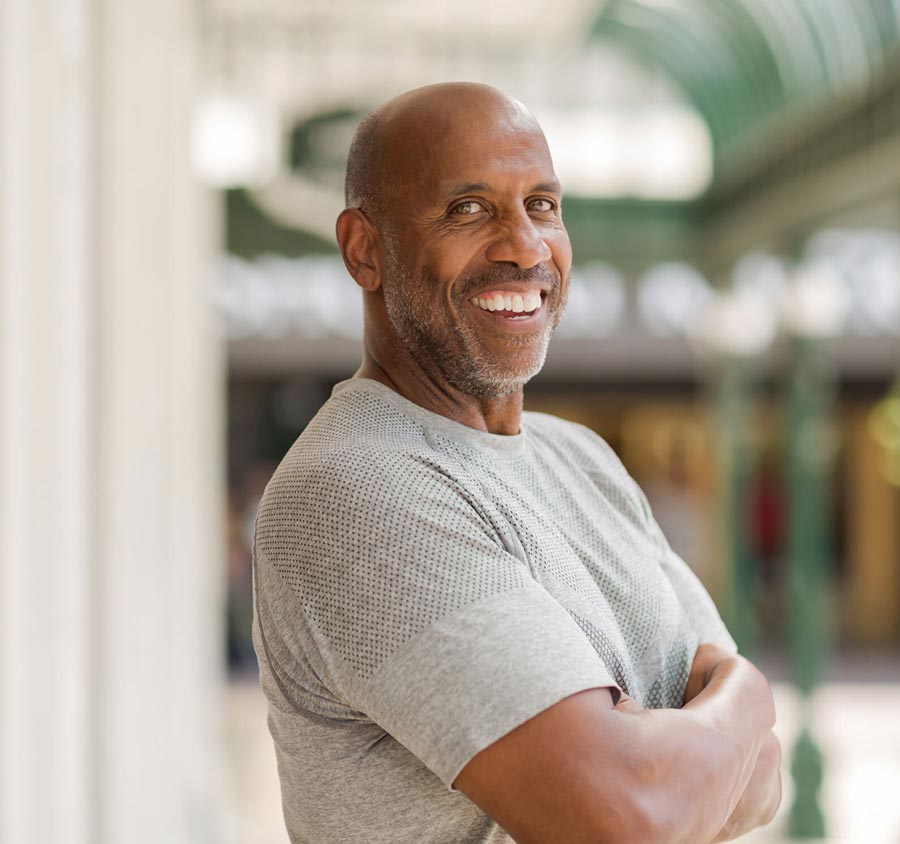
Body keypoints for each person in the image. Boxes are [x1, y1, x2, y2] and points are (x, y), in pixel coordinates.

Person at [251, 82, 781, 844]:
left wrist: (682, 746)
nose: (525, 248)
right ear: (364, 249)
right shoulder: (355, 489)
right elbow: (627, 819)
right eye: (469, 209)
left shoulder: (581, 458)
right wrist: (746, 694)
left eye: (542, 205)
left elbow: (763, 778)